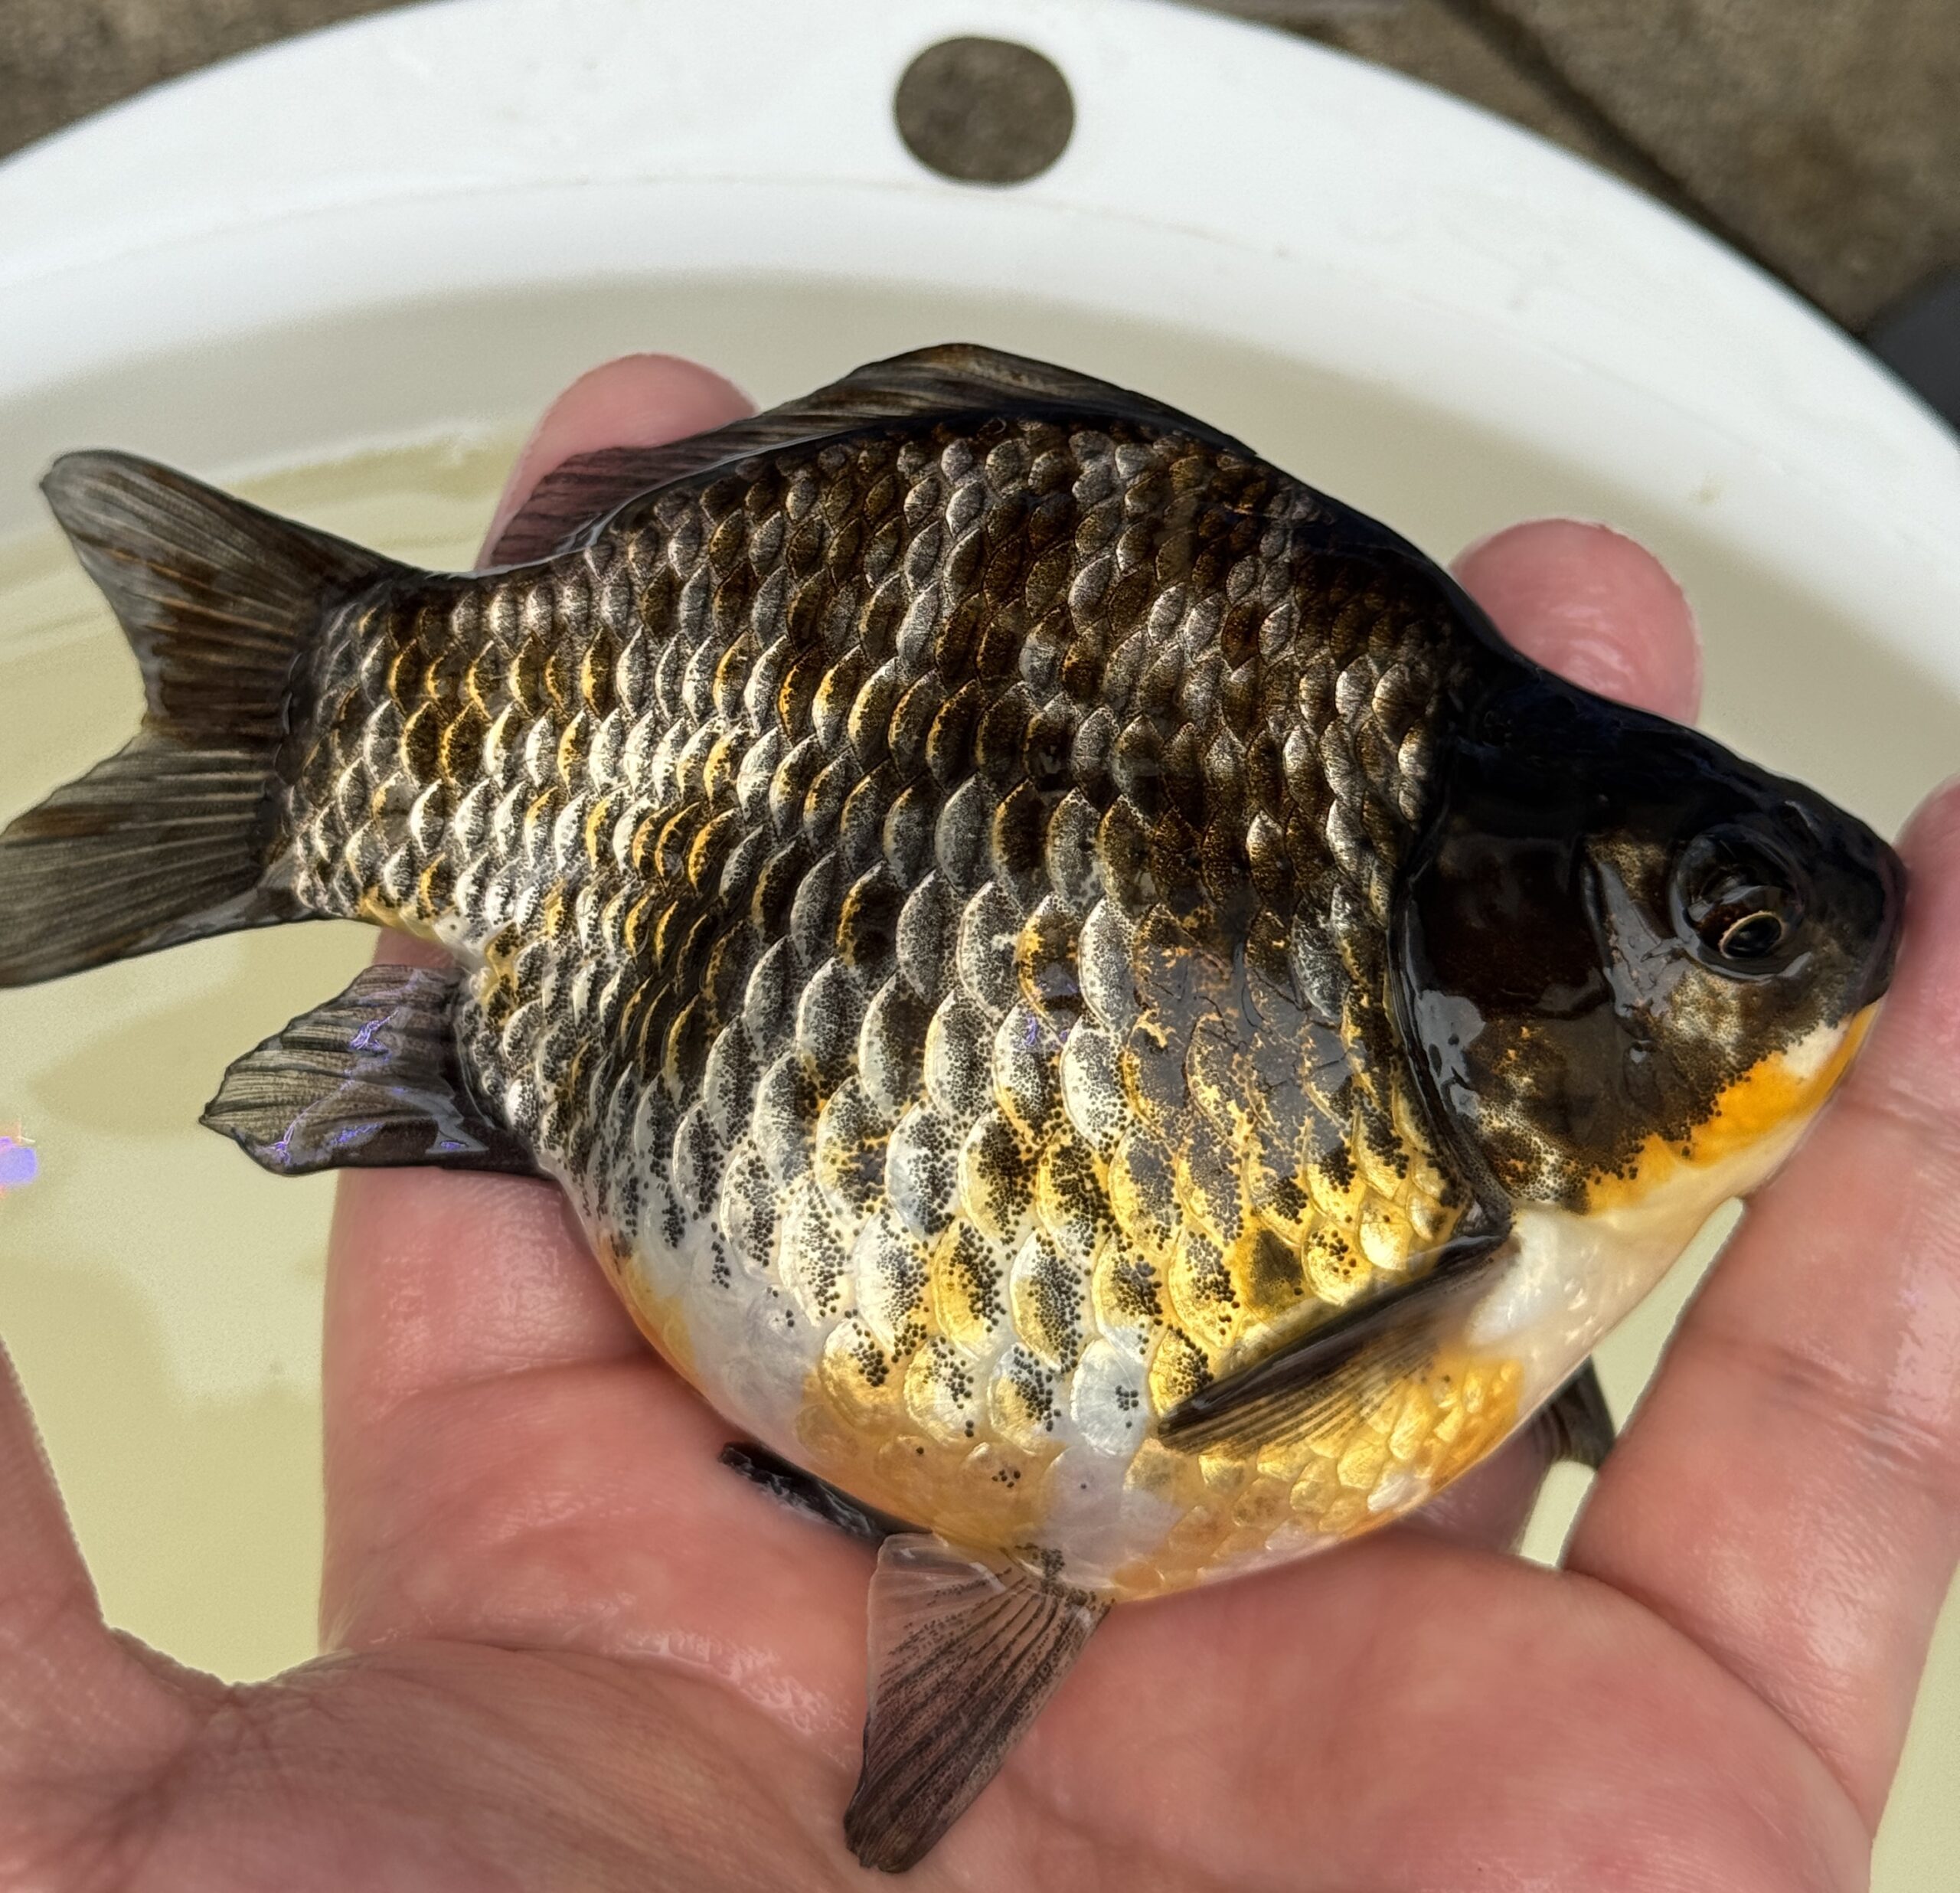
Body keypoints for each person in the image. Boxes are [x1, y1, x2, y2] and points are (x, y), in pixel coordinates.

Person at [4, 354, 1955, 1890]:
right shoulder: (1487, 1250)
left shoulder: (1508, 1251)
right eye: (1737, 934)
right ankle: (308, 724)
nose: (1786, 982)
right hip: (664, 976)